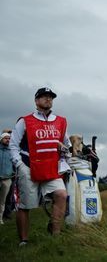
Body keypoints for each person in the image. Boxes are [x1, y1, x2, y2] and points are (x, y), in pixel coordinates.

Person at [9, 87, 70, 246]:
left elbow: (66, 144)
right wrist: (20, 165)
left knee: (62, 195)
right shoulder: (25, 120)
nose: (48, 99)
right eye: (44, 96)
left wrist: (65, 151)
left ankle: (54, 234)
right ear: (36, 101)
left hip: (52, 169)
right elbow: (13, 145)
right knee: (25, 205)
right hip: (29, 167)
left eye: (50, 97)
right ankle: (24, 240)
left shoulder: (61, 121)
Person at [0, 132, 14, 225]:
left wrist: (14, 172)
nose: (8, 140)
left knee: (2, 201)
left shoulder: (12, 151)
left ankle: (0, 219)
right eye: (6, 138)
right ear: (1, 139)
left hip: (7, 179)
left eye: (9, 138)